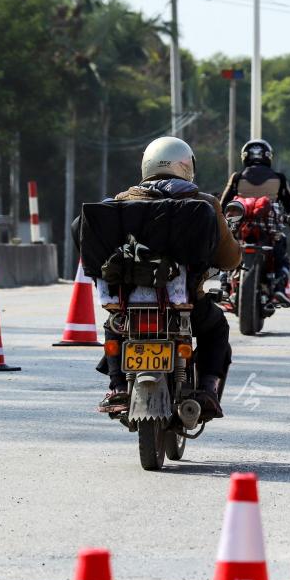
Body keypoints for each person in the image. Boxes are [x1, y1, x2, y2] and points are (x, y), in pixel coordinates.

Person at [99, 137, 240, 418]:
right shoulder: (204, 204)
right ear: (186, 165)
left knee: (114, 325)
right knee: (216, 328)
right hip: (184, 302)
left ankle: (117, 388)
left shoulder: (120, 202)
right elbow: (229, 259)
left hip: (130, 303)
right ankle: (208, 389)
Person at [221, 139, 290, 305]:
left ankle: (224, 285)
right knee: (282, 257)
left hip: (240, 233)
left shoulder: (237, 178)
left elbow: (223, 205)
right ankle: (279, 287)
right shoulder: (279, 179)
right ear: (268, 156)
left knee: (225, 253)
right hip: (270, 235)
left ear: (245, 157)